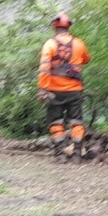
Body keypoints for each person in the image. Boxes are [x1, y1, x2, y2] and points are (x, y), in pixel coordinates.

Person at [37, 12, 95, 163]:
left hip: (55, 91)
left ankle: (60, 155)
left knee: (56, 122)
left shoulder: (49, 44)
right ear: (69, 26)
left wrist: (43, 89)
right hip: (75, 90)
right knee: (76, 122)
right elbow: (86, 59)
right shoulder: (79, 43)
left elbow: (44, 68)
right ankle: (76, 155)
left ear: (54, 26)